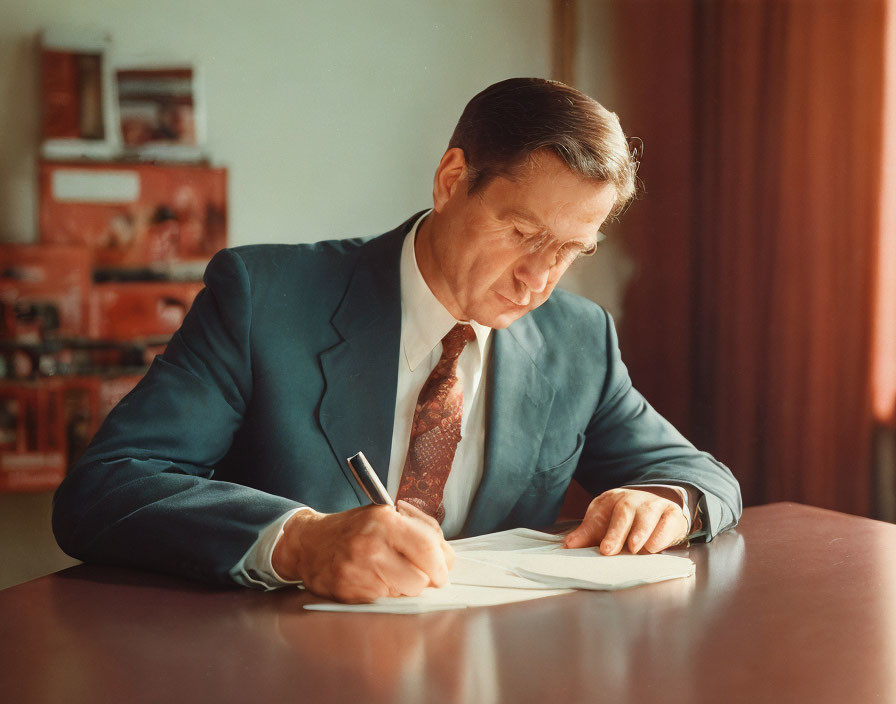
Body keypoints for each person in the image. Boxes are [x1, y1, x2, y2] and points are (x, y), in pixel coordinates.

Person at [53, 78, 741, 603]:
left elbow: (703, 477)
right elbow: (104, 489)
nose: (539, 278)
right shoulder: (266, 298)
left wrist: (668, 503)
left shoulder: (578, 339)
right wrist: (296, 542)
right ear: (450, 182)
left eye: (570, 250)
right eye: (524, 234)